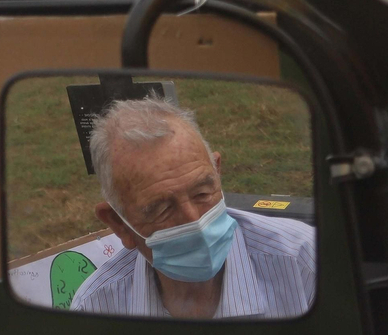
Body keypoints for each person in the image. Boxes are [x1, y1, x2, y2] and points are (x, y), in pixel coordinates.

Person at [69, 97, 316, 319]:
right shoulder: (96, 307)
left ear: (217, 171)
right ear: (119, 224)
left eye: (201, 193)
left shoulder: (304, 263)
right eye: (162, 209)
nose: (194, 220)